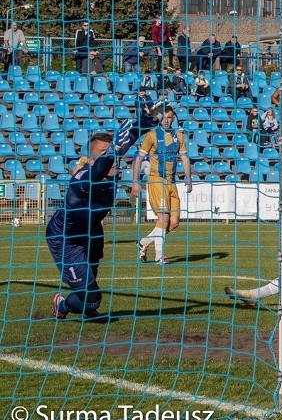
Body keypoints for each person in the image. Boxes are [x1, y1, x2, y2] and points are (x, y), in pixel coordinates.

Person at [49, 118, 158, 320]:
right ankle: (62, 304)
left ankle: (86, 309)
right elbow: (100, 167)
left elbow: (118, 152)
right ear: (92, 159)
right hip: (66, 238)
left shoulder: (110, 176)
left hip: (92, 230)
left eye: (111, 153)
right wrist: (112, 152)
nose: (111, 158)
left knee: (93, 274)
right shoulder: (84, 176)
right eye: (103, 154)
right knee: (93, 298)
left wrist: (143, 124)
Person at [131, 106, 192, 265]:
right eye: (164, 117)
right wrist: (135, 182)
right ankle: (159, 256)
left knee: (174, 222)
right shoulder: (151, 135)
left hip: (172, 183)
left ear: (173, 118)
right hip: (157, 180)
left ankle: (143, 242)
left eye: (170, 117)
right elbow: (138, 158)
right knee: (163, 218)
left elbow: (185, 158)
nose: (167, 120)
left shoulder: (179, 136)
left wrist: (188, 178)